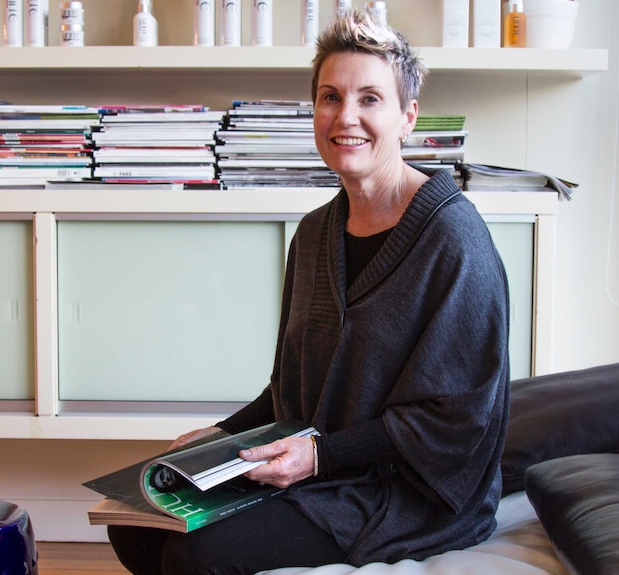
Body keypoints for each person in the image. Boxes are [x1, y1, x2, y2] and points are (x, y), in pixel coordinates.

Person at [108, 9, 510, 575]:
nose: (347, 116)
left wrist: (322, 455)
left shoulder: (454, 239)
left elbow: (454, 422)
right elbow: (295, 391)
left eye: (370, 98)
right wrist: (221, 434)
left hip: (406, 492)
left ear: (407, 117)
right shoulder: (316, 232)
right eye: (330, 97)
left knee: (198, 552)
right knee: (136, 524)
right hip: (309, 463)